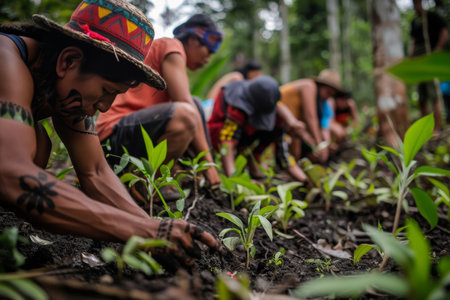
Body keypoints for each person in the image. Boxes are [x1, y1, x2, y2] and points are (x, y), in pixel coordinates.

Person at [0, 0, 222, 268]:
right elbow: (12, 175)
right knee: (34, 145)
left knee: (38, 143)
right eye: (106, 91)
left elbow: (95, 171)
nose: (105, 106)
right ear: (69, 61)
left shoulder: (64, 86)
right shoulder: (6, 58)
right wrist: (140, 230)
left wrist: (151, 228)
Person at [96, 14, 222, 198]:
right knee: (186, 114)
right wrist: (209, 166)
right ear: (194, 40)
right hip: (111, 138)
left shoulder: (166, 52)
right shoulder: (172, 46)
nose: (208, 59)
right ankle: (144, 182)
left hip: (129, 135)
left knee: (194, 104)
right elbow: (185, 108)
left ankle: (174, 174)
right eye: (208, 52)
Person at [207, 75, 309, 182]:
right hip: (217, 137)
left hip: (246, 135)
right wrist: (234, 180)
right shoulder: (237, 107)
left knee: (273, 131)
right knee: (227, 140)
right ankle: (240, 167)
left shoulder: (273, 109)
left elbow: (282, 153)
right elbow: (227, 142)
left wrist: (304, 180)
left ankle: (254, 161)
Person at [280, 69, 345, 164]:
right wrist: (320, 145)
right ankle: (292, 166)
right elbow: (310, 117)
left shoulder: (319, 100)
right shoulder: (309, 86)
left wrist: (320, 144)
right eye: (328, 92)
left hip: (287, 126)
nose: (328, 97)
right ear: (322, 85)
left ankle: (294, 165)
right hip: (275, 118)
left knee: (313, 153)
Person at [409, 0, 448, 130]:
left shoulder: (432, 17)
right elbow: (413, 41)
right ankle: (426, 130)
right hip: (419, 64)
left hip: (430, 62)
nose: (416, 6)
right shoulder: (415, 22)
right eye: (414, 4)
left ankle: (436, 128)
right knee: (422, 98)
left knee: (434, 95)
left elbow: (444, 32)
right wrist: (410, 58)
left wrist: (437, 49)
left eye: (418, 3)